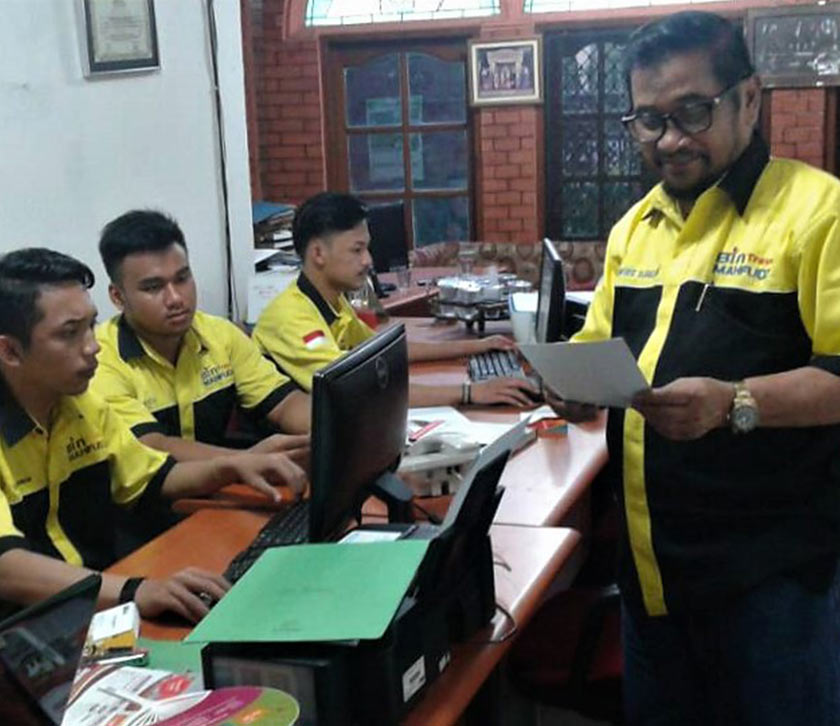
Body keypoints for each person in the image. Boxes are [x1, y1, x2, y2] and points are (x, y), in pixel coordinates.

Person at [547, 11, 840, 725]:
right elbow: (594, 350)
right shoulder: (633, 229)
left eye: (692, 112)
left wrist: (734, 401)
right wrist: (570, 389)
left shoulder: (818, 212)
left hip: (772, 584)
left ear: (749, 98)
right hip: (652, 578)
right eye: (648, 120)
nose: (670, 140)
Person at [0, 248, 307, 622]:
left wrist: (234, 466)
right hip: (28, 637)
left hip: (98, 610)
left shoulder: (82, 405)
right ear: (10, 351)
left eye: (90, 326)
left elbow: (153, 477)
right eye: (69, 334)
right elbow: (7, 568)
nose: (93, 345)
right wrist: (134, 591)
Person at [253, 192, 538, 408]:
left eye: (367, 248)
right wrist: (470, 392)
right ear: (318, 254)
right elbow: (361, 387)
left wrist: (475, 346)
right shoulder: (291, 317)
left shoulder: (333, 303)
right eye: (357, 250)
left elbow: (384, 351)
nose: (368, 261)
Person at [91, 210, 310, 463]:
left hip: (224, 486)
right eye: (153, 287)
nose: (175, 298)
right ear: (118, 297)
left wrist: (326, 429)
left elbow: (283, 403)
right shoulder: (100, 359)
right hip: (151, 498)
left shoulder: (220, 335)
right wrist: (244, 462)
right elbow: (151, 447)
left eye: (182, 278)